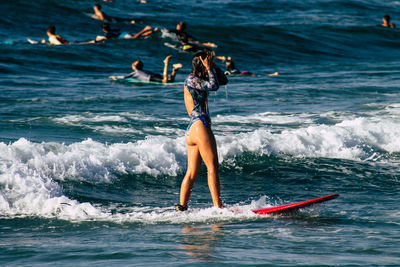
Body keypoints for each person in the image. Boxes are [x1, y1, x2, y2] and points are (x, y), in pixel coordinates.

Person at [177, 50, 228, 211]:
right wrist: (209, 67)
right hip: (200, 126)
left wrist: (212, 65)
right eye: (207, 63)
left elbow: (223, 80)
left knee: (192, 172)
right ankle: (218, 206)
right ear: (202, 65)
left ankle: (182, 208)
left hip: (193, 128)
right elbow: (213, 86)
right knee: (212, 168)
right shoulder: (192, 80)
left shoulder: (195, 79)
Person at [109, 55, 183, 83]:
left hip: (151, 78)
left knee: (165, 81)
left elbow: (124, 77)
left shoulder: (136, 72)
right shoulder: (143, 70)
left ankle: (166, 63)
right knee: (170, 80)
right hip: (155, 75)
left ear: (134, 67)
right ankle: (174, 69)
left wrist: (115, 77)